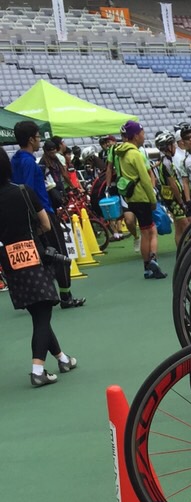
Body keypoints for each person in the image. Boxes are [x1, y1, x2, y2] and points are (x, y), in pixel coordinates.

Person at [0, 147, 77, 387]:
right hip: (34, 256)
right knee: (42, 314)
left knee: (38, 312)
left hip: (10, 262)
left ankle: (62, 359)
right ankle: (37, 370)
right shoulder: (23, 192)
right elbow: (45, 224)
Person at [11, 119, 84, 309]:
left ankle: (43, 295)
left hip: (27, 217)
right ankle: (65, 296)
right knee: (60, 254)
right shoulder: (29, 162)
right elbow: (28, 190)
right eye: (37, 137)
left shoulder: (15, 160)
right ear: (30, 139)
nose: (39, 141)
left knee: (41, 257)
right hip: (42, 213)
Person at [114, 120, 165, 280]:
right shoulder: (136, 154)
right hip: (142, 196)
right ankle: (153, 261)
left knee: (144, 231)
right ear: (135, 136)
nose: (144, 136)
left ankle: (146, 267)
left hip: (131, 198)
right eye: (142, 133)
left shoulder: (121, 153)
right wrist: (153, 199)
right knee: (151, 231)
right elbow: (145, 179)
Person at [154, 130, 189, 244]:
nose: (175, 146)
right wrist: (180, 201)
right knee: (185, 226)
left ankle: (181, 250)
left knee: (179, 228)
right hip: (174, 199)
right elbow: (172, 184)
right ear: (167, 147)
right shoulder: (167, 163)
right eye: (173, 144)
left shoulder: (165, 160)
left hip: (169, 198)